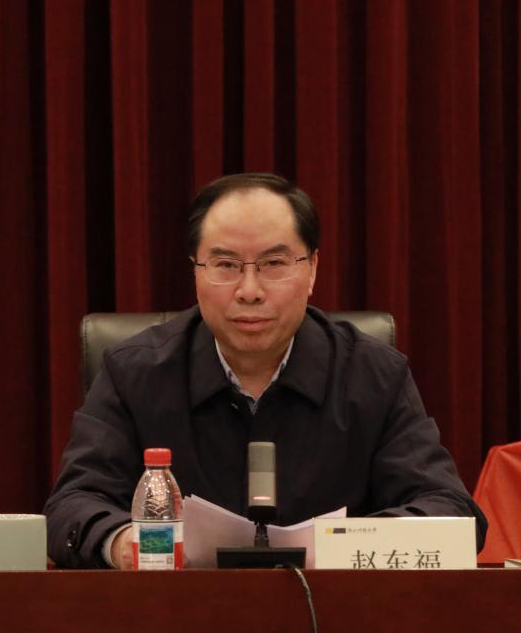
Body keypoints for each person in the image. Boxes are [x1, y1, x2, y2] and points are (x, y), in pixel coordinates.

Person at [44, 173, 487, 568]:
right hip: (177, 615)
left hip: (333, 616)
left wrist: (344, 546)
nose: (250, 290)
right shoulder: (134, 373)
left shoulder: (373, 375)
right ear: (196, 272)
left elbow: (450, 510)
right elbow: (72, 505)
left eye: (274, 264)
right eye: (226, 265)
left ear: (312, 270)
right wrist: (125, 543)